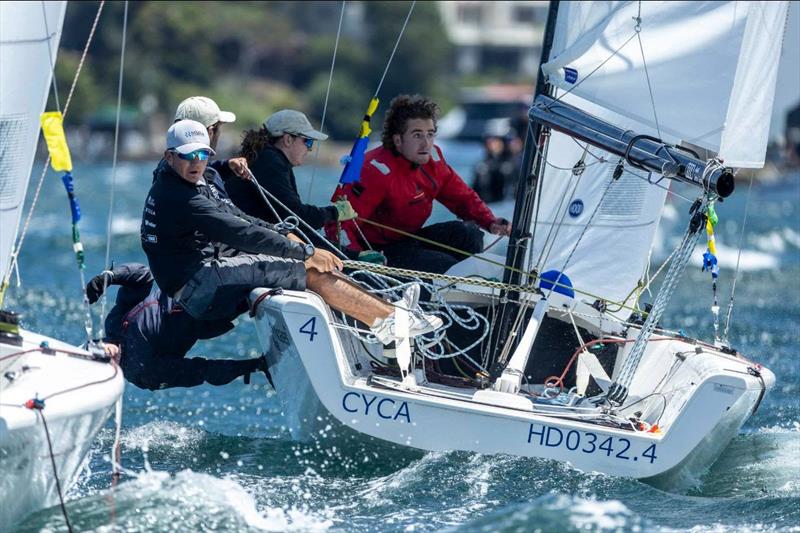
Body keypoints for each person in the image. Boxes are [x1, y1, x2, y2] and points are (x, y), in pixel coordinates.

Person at [141, 119, 442, 348]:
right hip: (199, 287)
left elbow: (238, 216)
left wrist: (283, 235)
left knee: (303, 260)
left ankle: (382, 313)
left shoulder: (191, 179)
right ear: (169, 156)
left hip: (203, 275)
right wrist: (306, 252)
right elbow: (239, 232)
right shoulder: (181, 196)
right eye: (187, 155)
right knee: (307, 270)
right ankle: (389, 321)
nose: (196, 162)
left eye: (202, 154)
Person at [338, 94, 512, 274]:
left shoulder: (433, 160)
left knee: (470, 233)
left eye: (430, 134)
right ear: (398, 140)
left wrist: (491, 222)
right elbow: (339, 225)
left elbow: (462, 198)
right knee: (444, 264)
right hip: (376, 252)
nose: (426, 143)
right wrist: (357, 258)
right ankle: (450, 290)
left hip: (409, 241)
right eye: (417, 135)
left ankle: (468, 291)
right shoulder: (373, 170)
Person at [226, 109, 382, 262]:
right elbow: (297, 219)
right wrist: (334, 212)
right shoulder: (270, 163)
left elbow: (296, 226)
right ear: (287, 139)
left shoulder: (271, 159)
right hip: (243, 249)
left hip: (252, 243)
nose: (310, 148)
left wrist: (353, 256)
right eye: (307, 141)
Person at [87, 264, 270, 391]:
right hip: (210, 314)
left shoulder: (114, 322)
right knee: (261, 278)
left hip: (189, 283)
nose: (107, 354)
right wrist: (254, 365)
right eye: (105, 362)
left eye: (99, 351)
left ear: (97, 342)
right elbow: (202, 371)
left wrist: (109, 276)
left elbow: (143, 277)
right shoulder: (144, 373)